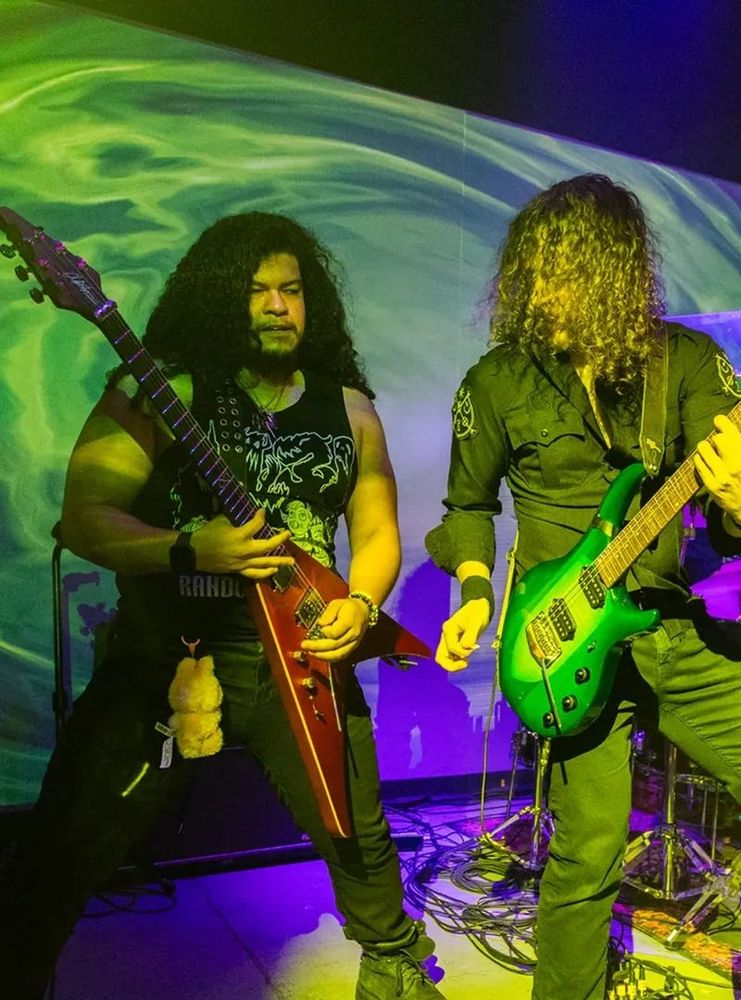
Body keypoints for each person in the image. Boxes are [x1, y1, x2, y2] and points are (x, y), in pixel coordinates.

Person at [1, 212, 446, 1000]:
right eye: (257, 291)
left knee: (358, 829)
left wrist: (363, 601)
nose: (278, 306)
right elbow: (84, 518)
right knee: (70, 834)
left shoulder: (350, 409)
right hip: (169, 648)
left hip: (303, 648)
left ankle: (393, 961)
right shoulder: (162, 389)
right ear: (221, 300)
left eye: (292, 290)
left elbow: (377, 533)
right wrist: (186, 549)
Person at [426, 175, 741, 1000]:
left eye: (562, 269)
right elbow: (467, 506)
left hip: (667, 626)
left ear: (612, 271)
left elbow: (726, 518)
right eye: (531, 269)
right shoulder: (496, 382)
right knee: (586, 851)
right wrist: (474, 591)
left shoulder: (683, 362)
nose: (540, 289)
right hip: (564, 643)